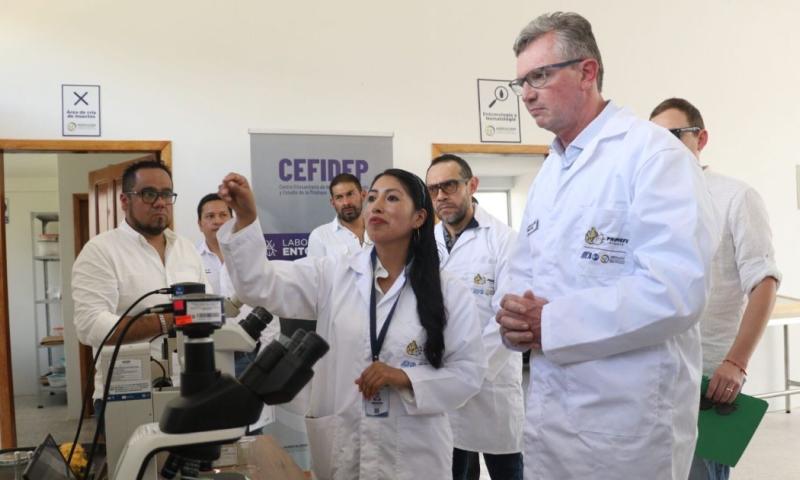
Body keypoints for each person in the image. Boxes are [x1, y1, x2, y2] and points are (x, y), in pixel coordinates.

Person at [495, 12, 719, 480]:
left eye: (539, 75)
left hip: (626, 432)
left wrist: (550, 323)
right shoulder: (550, 172)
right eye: (521, 83)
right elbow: (524, 271)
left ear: (587, 72)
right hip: (551, 422)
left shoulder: (653, 156)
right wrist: (513, 317)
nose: (528, 94)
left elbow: (677, 290)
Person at [217, 169, 486, 479]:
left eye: (392, 197)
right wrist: (247, 220)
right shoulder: (333, 274)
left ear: (419, 217)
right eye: (372, 197)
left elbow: (469, 373)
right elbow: (259, 285)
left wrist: (405, 378)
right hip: (345, 449)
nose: (376, 205)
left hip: (413, 456)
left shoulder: (448, 291)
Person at [650, 98, 781, 480]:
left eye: (673, 135)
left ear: (700, 138)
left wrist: (737, 362)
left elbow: (764, 281)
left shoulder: (735, 197)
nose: (663, 146)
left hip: (707, 378)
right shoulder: (648, 203)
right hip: (652, 377)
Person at [72, 160, 209, 412]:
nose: (160, 202)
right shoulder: (101, 251)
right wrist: (168, 320)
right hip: (128, 394)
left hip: (189, 388)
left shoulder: (186, 249)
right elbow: (90, 324)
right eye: (149, 194)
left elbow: (207, 309)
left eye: (167, 194)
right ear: (124, 200)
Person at [426, 154, 523, 480]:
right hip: (440, 378)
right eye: (433, 189)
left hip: (491, 382)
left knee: (506, 470)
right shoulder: (425, 242)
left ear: (471, 185)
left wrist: (468, 370)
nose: (441, 196)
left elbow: (506, 317)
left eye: (449, 186)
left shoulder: (504, 240)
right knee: (454, 469)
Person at [196, 192, 279, 435]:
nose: (217, 221)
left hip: (248, 353)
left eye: (223, 215)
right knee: (212, 425)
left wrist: (266, 353)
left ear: (232, 220)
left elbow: (268, 303)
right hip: (207, 355)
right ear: (200, 223)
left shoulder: (249, 258)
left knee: (249, 427)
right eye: (210, 216)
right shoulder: (189, 260)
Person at [306, 173, 373, 257]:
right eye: (339, 197)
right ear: (333, 202)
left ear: (363, 195)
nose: (346, 202)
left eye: (350, 194)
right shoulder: (319, 236)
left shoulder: (381, 229)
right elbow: (316, 270)